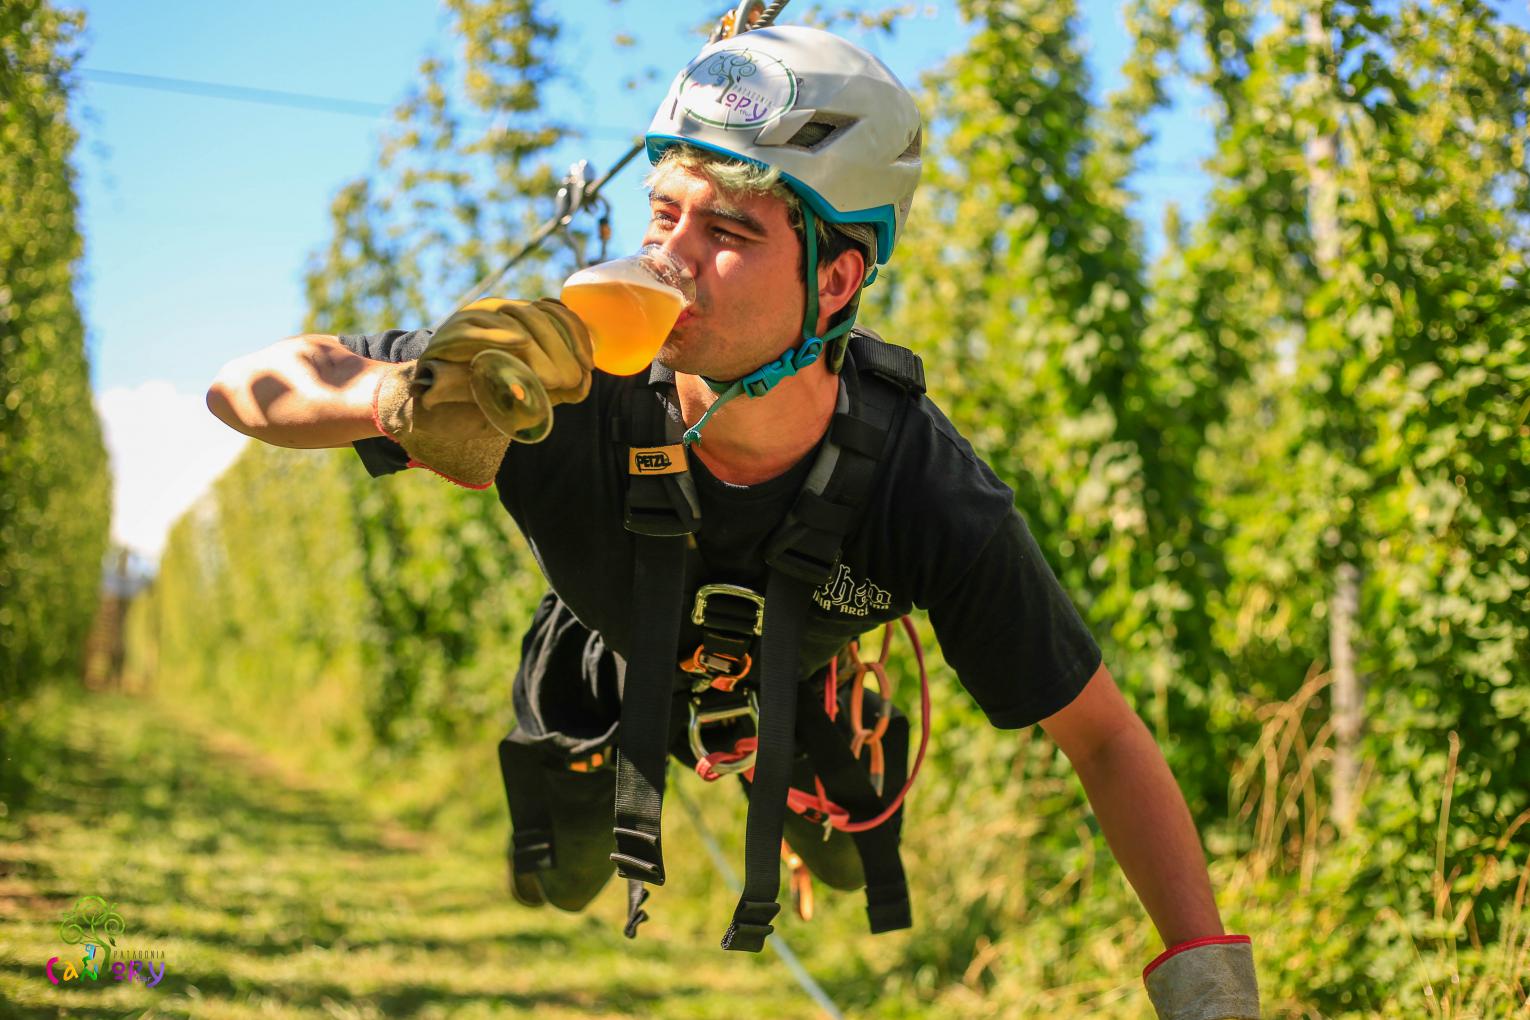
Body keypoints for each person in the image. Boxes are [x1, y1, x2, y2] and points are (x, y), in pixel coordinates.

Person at [207, 23, 1259, 1019]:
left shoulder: (920, 487)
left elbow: (1106, 738)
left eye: (726, 232)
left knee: (856, 835)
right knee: (562, 873)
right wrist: (400, 399)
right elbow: (244, 386)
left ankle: (805, 787)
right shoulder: (549, 389)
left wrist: (1211, 994)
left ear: (836, 280)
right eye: (662, 213)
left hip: (800, 668)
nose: (671, 256)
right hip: (603, 647)